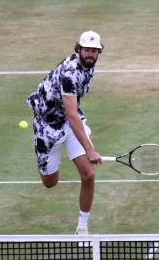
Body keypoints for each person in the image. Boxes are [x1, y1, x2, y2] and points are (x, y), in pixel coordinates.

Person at [26, 31, 104, 235]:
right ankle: (49, 157)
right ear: (78, 49)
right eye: (87, 49)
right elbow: (71, 113)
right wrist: (90, 149)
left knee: (88, 175)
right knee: (50, 183)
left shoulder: (88, 67)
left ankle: (82, 228)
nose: (91, 54)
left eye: (95, 51)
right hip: (47, 128)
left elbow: (73, 111)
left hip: (68, 123)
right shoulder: (70, 73)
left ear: (99, 52)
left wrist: (83, 147)